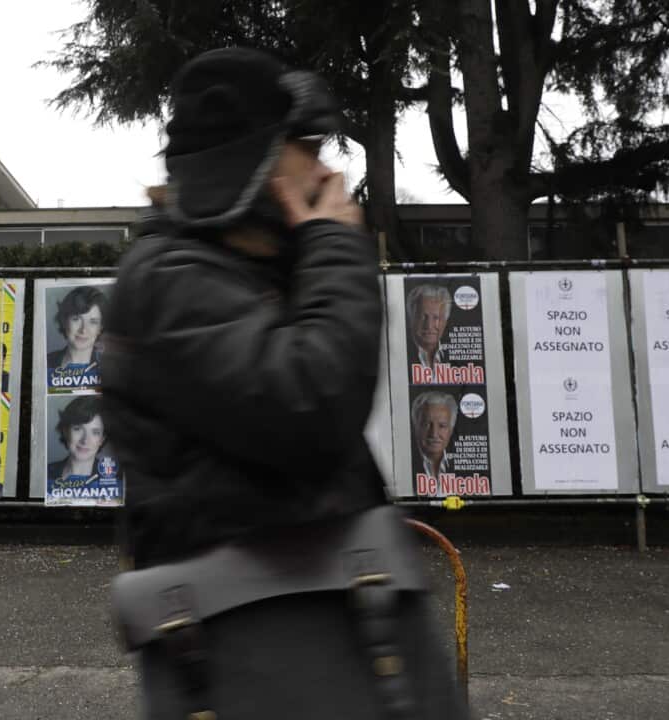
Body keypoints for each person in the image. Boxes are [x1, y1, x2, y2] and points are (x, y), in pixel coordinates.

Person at [103, 48, 465, 719]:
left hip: (311, 639)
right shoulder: (167, 281)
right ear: (256, 161)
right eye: (307, 148)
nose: (328, 170)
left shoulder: (230, 275)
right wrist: (331, 241)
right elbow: (312, 402)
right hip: (252, 660)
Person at [46, 395, 113, 485]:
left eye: (95, 432)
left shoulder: (115, 478)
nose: (85, 440)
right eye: (78, 429)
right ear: (65, 431)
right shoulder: (46, 473)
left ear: (102, 439)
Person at [46, 286, 106, 377]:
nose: (83, 330)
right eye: (76, 319)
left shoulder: (110, 369)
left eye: (93, 322)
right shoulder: (46, 362)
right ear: (64, 321)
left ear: (100, 328)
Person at [412, 391, 457, 477]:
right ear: (415, 427)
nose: (434, 434)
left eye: (442, 426)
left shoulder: (464, 469)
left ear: (451, 430)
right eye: (426, 425)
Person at [406, 284, 452, 369]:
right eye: (423, 317)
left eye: (436, 318)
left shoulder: (456, 359)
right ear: (411, 318)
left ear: (445, 322)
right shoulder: (401, 355)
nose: (429, 326)